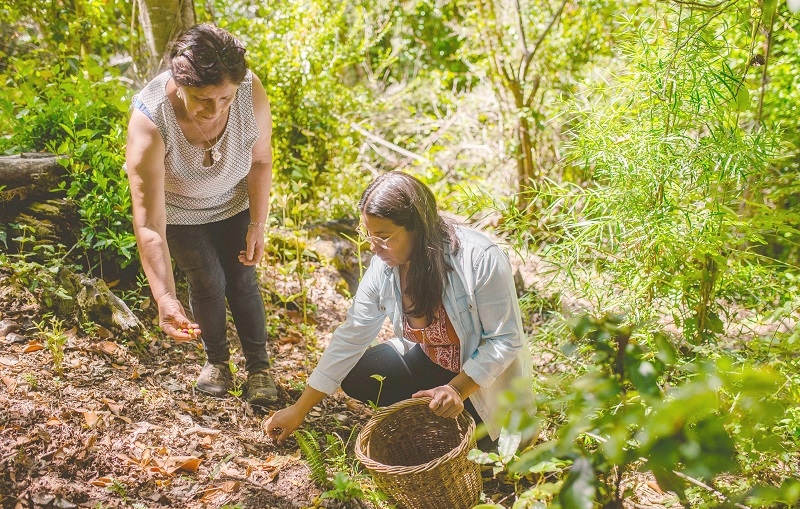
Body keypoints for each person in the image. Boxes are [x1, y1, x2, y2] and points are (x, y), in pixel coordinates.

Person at [265, 171, 533, 448]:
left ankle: (454, 420)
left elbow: (505, 339)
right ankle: (425, 416)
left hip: (479, 385)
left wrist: (456, 389)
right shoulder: (384, 267)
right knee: (359, 372)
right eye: (367, 234)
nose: (372, 246)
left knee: (483, 449)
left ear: (417, 227)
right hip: (429, 364)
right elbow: (352, 334)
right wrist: (298, 411)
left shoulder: (479, 259)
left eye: (383, 236)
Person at [126, 23, 278, 406]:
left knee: (243, 278)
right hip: (179, 214)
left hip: (234, 203)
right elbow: (149, 223)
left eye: (224, 98)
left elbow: (260, 161)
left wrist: (258, 224)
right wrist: (163, 296)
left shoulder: (250, 92)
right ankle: (217, 363)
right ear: (179, 83)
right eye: (202, 100)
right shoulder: (150, 121)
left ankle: (259, 368)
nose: (215, 110)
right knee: (208, 280)